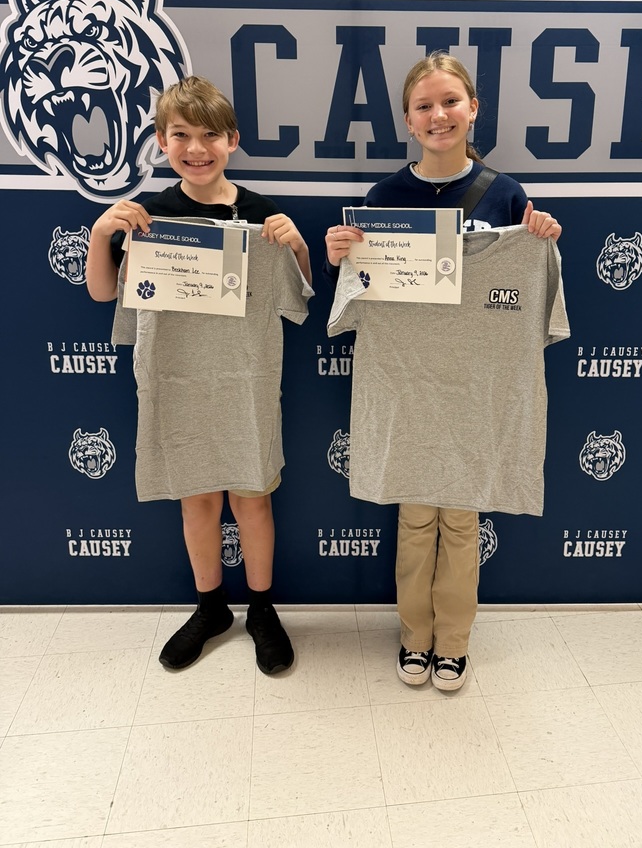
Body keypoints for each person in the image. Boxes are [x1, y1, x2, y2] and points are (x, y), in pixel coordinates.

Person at [324, 52, 562, 691]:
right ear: (408, 118)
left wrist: (538, 236)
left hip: (473, 391)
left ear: (473, 108)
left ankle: (453, 643)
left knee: (461, 520)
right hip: (408, 386)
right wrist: (339, 255)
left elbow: (527, 300)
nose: (439, 115)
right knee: (414, 517)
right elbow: (360, 295)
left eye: (450, 101)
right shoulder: (384, 197)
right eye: (425, 105)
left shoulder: (507, 195)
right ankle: (414, 636)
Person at [86, 76, 313, 673]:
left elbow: (299, 299)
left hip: (247, 382)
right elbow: (105, 291)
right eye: (181, 135)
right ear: (161, 142)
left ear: (231, 141)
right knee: (197, 503)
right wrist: (99, 233)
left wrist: (296, 247)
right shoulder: (148, 216)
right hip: (176, 381)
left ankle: (261, 608)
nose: (196, 148)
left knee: (253, 502)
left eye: (210, 135)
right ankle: (211, 605)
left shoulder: (261, 215)